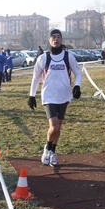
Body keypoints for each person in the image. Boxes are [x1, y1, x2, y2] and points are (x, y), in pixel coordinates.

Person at [28, 29, 82, 167]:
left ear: (61, 39)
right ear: (49, 40)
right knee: (54, 126)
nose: (56, 39)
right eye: (53, 37)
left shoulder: (68, 56)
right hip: (49, 96)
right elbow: (35, 78)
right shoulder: (43, 58)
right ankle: (47, 148)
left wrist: (77, 86)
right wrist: (31, 95)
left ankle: (52, 152)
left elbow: (78, 72)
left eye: (59, 37)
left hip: (64, 96)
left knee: (58, 128)